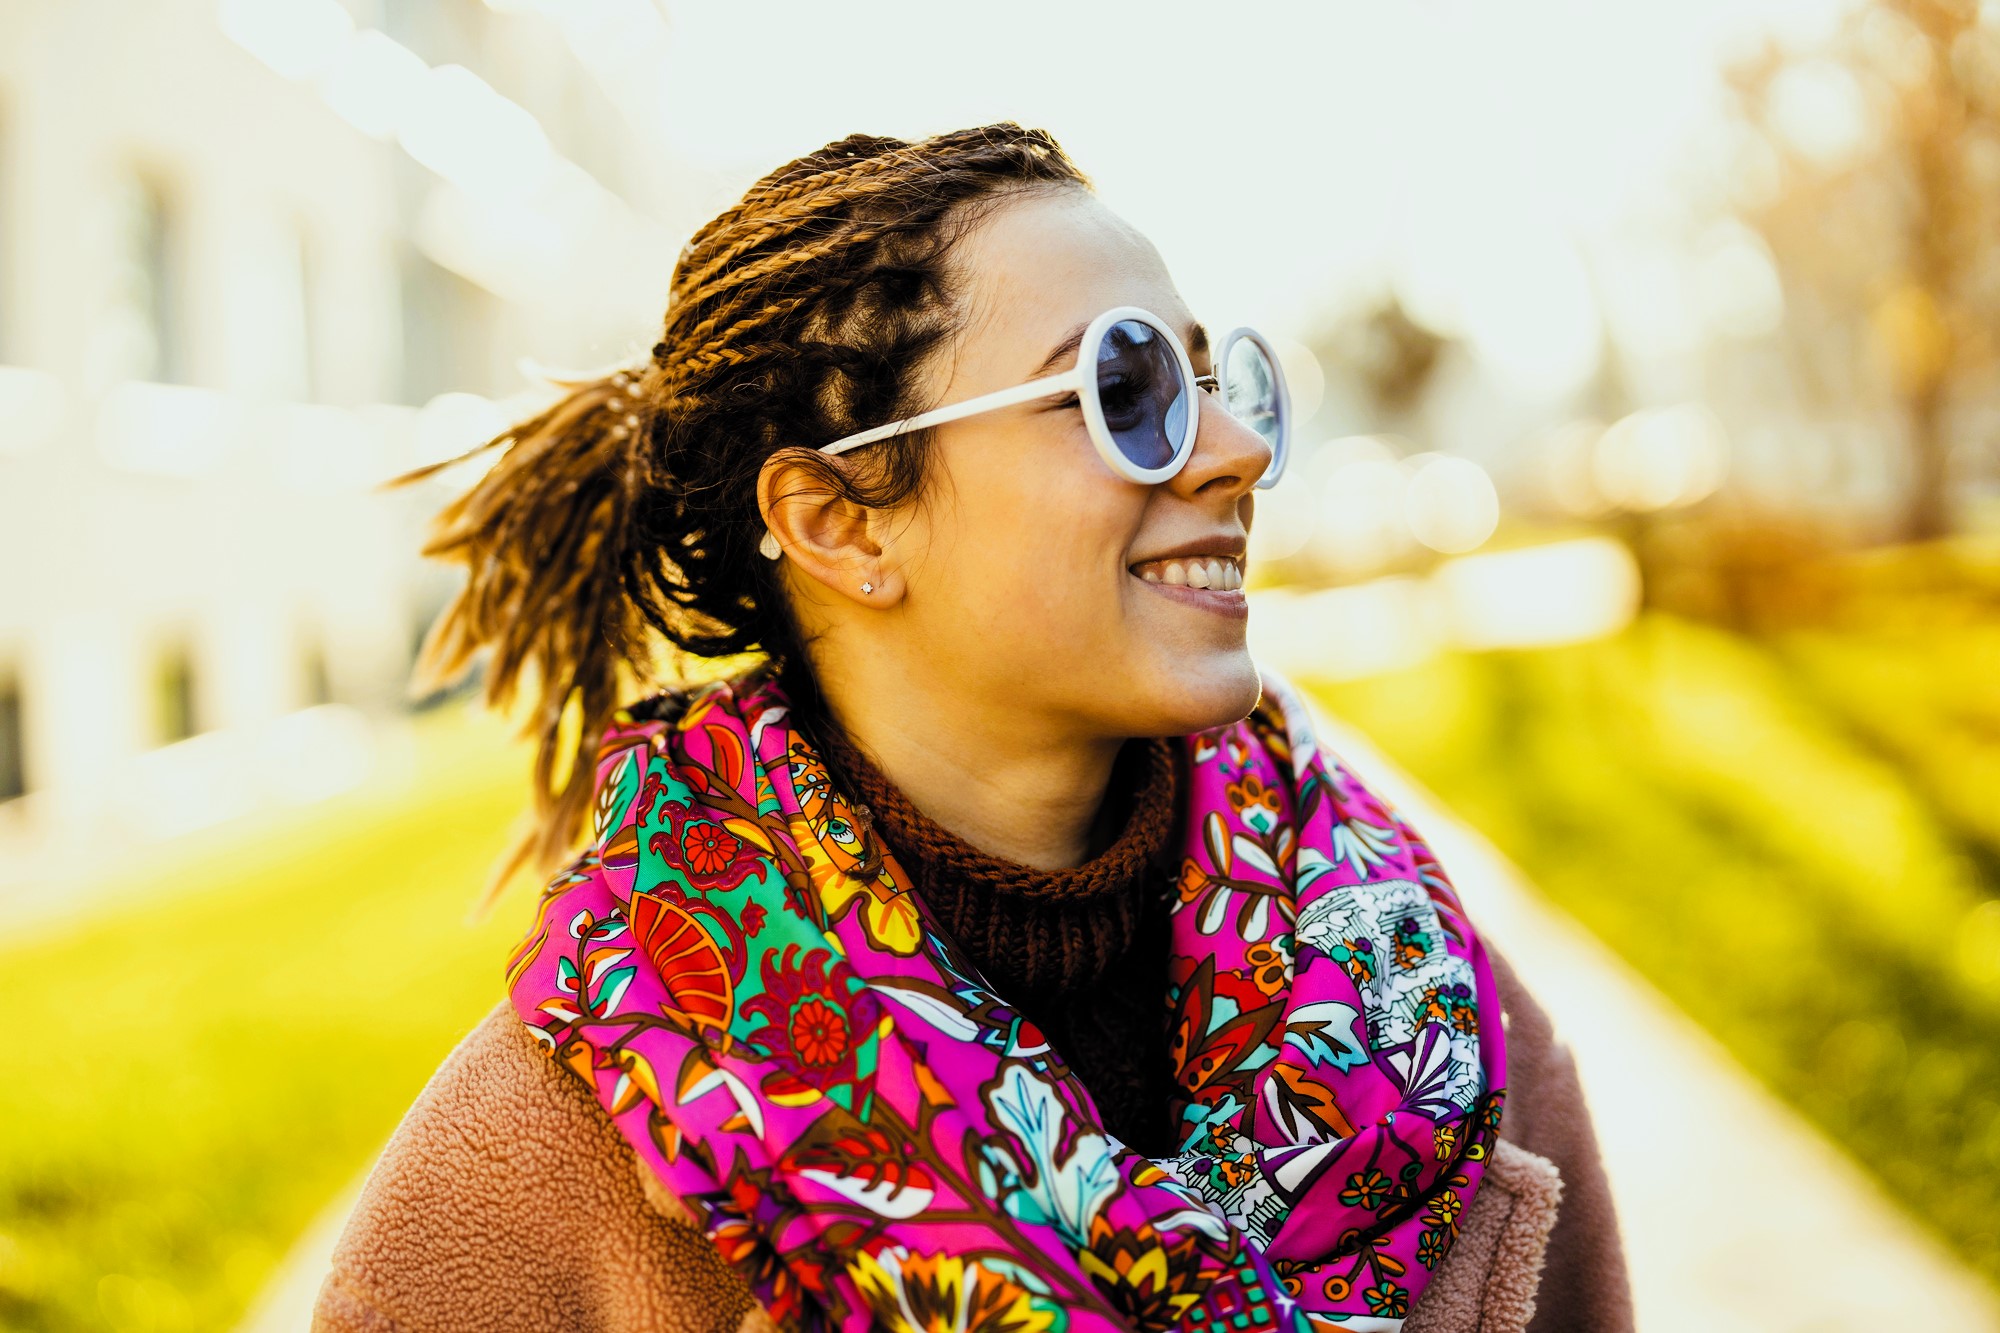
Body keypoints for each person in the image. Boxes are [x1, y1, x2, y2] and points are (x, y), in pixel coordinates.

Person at [312, 123, 1631, 1333]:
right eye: (1127, 383)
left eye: (1218, 380)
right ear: (841, 521)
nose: (1233, 448)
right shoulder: (534, 1178)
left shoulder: (1442, 1016)